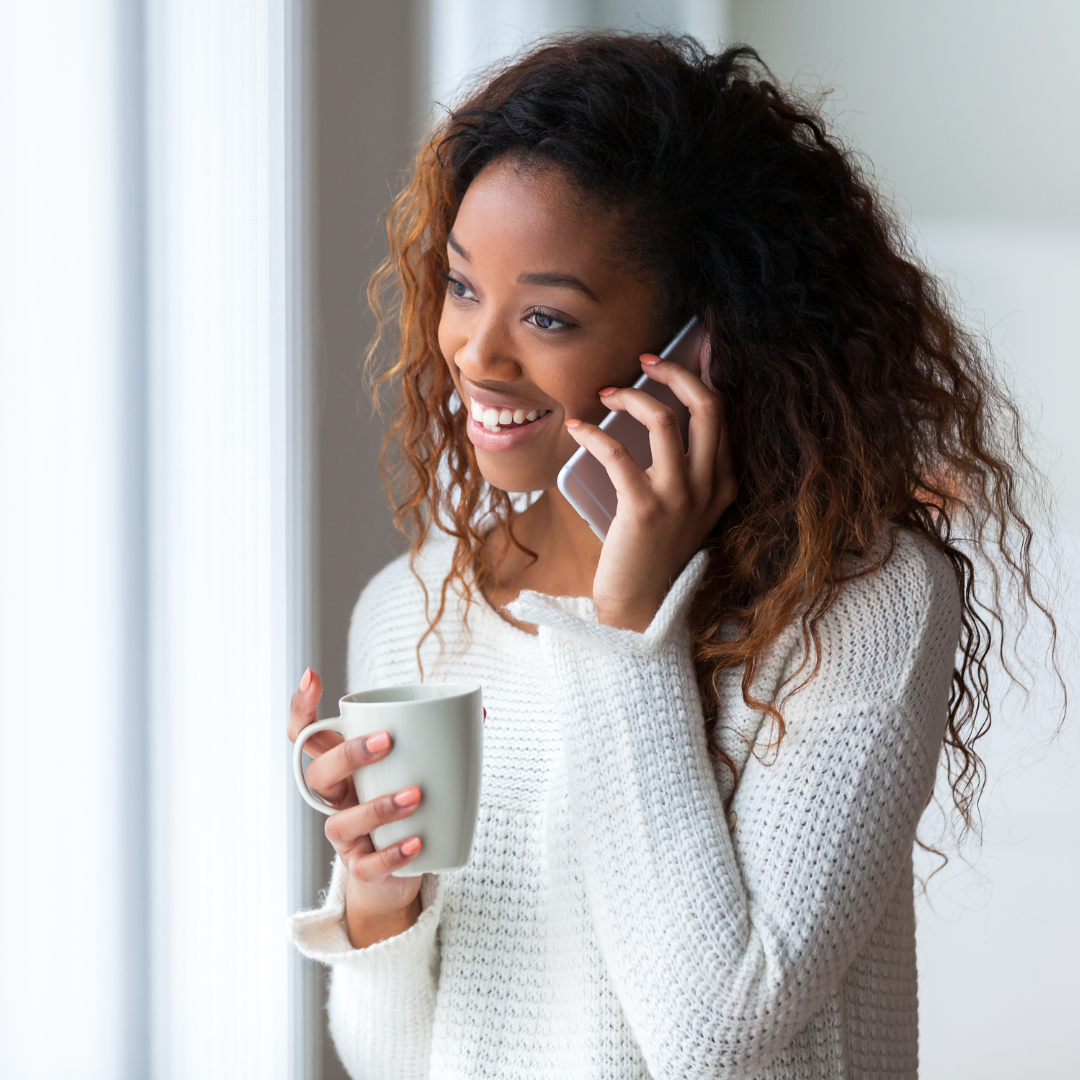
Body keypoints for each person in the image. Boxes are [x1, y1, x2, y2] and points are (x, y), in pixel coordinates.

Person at [286, 34, 1051, 1080]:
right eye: (463, 287)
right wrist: (382, 894)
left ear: (705, 341)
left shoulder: (856, 607)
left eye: (547, 315)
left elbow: (717, 1036)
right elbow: (389, 1058)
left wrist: (628, 626)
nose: (474, 352)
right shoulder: (417, 605)